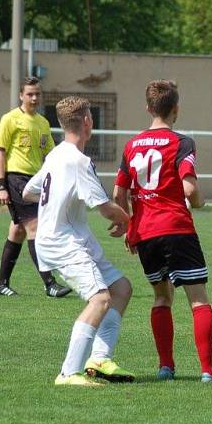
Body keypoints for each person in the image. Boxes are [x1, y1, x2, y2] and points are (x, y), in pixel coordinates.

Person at [113, 80, 212, 383]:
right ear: (176, 108)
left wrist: (127, 224)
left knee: (162, 298)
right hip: (176, 227)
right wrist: (200, 202)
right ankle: (208, 371)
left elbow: (118, 194)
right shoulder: (182, 142)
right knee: (198, 299)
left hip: (146, 233)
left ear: (148, 108)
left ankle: (166, 367)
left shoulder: (131, 145)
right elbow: (189, 189)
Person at [24, 96, 134, 386]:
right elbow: (106, 209)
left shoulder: (56, 155)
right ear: (88, 122)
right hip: (64, 242)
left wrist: (59, 202)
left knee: (121, 288)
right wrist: (130, 221)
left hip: (72, 237)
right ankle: (68, 373)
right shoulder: (77, 160)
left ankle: (99, 359)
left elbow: (28, 191)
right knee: (100, 299)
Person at [0, 77, 71, 298]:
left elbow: (49, 155)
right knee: (35, 227)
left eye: (37, 93)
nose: (34, 98)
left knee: (17, 230)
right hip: (16, 179)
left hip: (37, 180)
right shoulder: (10, 119)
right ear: (21, 95)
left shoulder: (43, 123)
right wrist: (1, 185)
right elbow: (0, 152)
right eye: (30, 94)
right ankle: (50, 284)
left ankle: (0, 284)